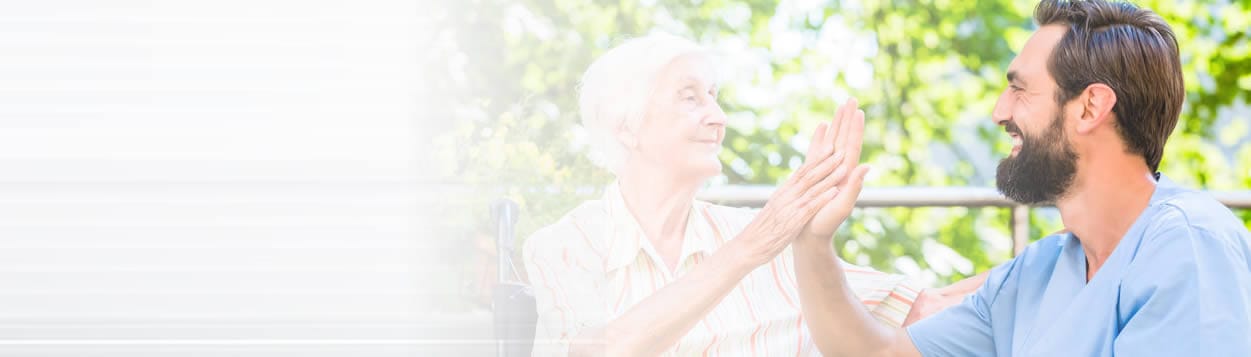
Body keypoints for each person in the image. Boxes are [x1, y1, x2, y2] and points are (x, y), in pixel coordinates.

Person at [791, 0, 1251, 356]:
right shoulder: (1041, 270)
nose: (999, 111)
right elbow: (877, 351)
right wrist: (812, 242)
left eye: (1019, 89)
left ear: (1090, 107)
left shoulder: (1188, 245)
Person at [522, 33, 978, 356]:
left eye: (715, 96)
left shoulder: (773, 242)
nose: (718, 116)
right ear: (626, 125)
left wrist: (1049, 253)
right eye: (690, 98)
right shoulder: (566, 246)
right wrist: (752, 247)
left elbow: (924, 306)